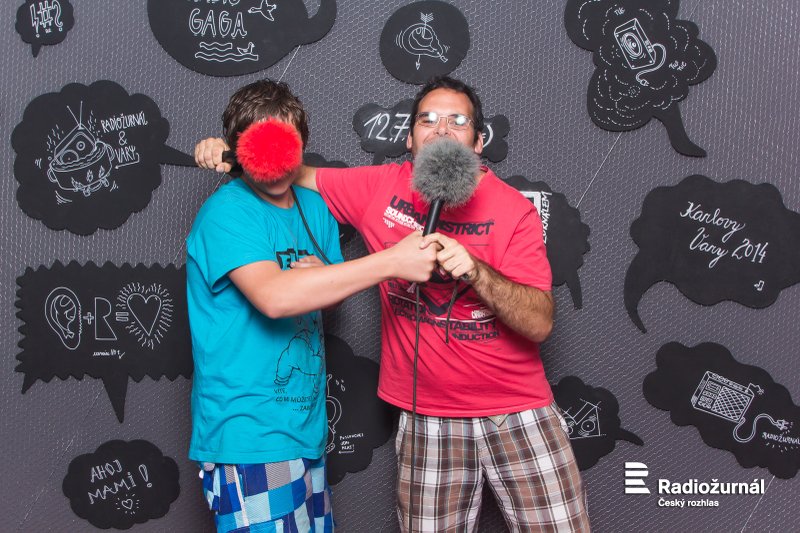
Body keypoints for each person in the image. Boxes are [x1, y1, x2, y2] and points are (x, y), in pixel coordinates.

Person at [195, 76, 590, 532]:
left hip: (516, 410)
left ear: (479, 142)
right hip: (426, 417)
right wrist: (234, 154)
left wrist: (476, 271)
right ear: (409, 138)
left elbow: (539, 324)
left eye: (458, 120)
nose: (442, 129)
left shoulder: (513, 209)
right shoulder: (378, 187)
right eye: (428, 119)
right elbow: (289, 170)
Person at [187, 79, 438, 533]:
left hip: (306, 431)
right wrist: (390, 262)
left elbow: (332, 289)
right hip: (250, 436)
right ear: (241, 149)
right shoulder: (227, 212)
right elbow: (276, 297)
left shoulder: (314, 207)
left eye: (286, 142)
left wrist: (323, 276)